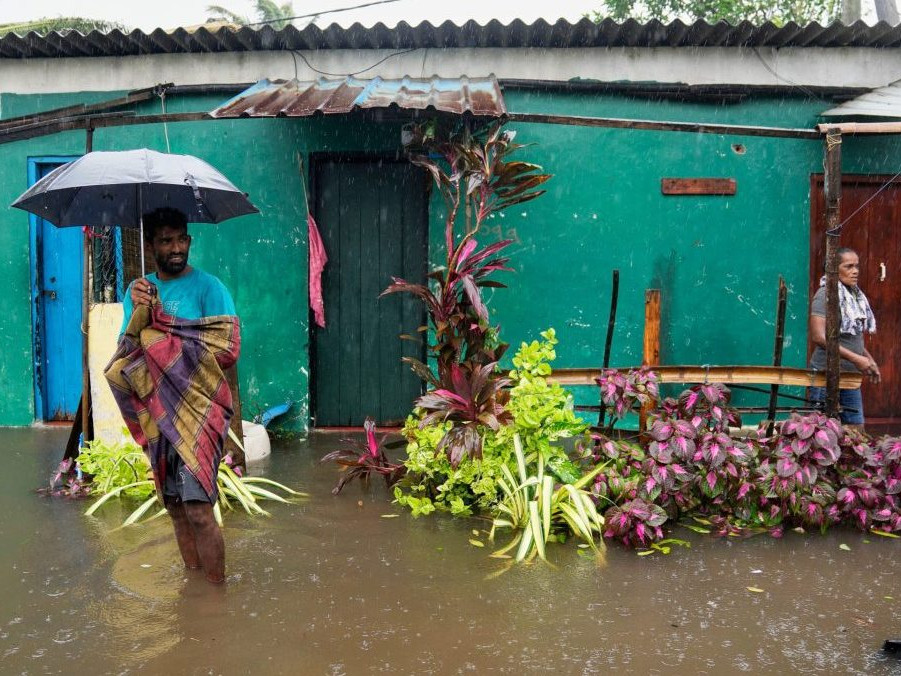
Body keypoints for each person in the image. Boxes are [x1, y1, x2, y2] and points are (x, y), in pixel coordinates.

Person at [118, 207, 239, 584]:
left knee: (199, 508)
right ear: (151, 245)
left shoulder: (210, 288)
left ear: (189, 240)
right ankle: (195, 588)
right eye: (165, 240)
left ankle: (216, 596)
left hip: (200, 413)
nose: (175, 248)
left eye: (180, 239)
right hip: (159, 413)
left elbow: (228, 350)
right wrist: (141, 314)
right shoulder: (136, 292)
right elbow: (128, 352)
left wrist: (167, 338)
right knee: (174, 506)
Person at [808, 247, 880, 429]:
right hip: (825, 373)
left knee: (856, 431)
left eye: (856, 266)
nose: (855, 271)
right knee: (819, 433)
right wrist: (857, 358)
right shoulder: (825, 295)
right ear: (833, 268)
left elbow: (851, 336)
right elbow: (819, 337)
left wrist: (869, 360)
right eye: (849, 266)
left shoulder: (854, 297)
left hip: (849, 375)